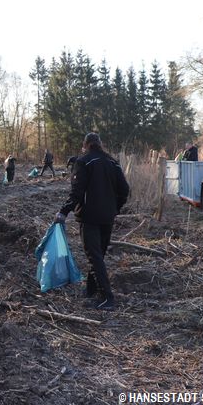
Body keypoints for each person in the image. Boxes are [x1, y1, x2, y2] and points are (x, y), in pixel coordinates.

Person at [56, 133, 130, 310]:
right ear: (100, 144)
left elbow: (77, 192)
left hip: (89, 217)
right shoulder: (113, 162)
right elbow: (125, 189)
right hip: (107, 217)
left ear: (85, 145)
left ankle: (107, 297)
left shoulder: (83, 162)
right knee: (99, 254)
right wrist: (115, 208)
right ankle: (90, 289)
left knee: (94, 255)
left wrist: (63, 212)